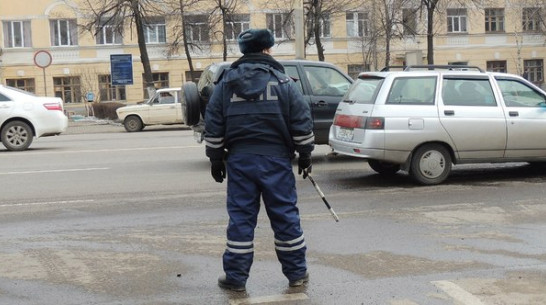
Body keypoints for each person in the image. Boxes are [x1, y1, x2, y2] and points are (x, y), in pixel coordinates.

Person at [204, 28, 314, 292]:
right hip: (276, 161)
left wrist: (216, 159)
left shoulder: (225, 84)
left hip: (240, 162)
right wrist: (306, 154)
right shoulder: (284, 83)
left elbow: (214, 123)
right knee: (285, 217)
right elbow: (301, 120)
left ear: (244, 51)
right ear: (267, 49)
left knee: (241, 220)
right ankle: (297, 274)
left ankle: (236, 278)